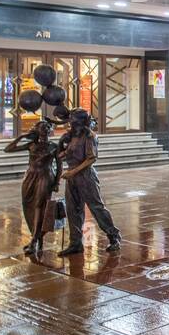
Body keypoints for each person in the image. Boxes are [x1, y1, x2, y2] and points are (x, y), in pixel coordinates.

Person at [55, 108, 121, 256]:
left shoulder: (89, 136)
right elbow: (61, 156)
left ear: (79, 121)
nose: (69, 121)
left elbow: (91, 158)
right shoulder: (72, 136)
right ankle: (75, 243)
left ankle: (113, 236)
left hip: (86, 176)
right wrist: (61, 143)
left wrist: (73, 172)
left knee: (97, 208)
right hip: (72, 178)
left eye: (72, 118)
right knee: (73, 210)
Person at [3, 119, 60, 256]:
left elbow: (59, 166)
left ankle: (34, 240)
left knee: (40, 206)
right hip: (30, 176)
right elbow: (8, 149)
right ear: (37, 130)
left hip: (45, 176)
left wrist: (57, 182)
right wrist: (22, 137)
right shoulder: (31, 145)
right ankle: (37, 236)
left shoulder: (54, 146)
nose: (45, 129)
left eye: (47, 127)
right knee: (28, 205)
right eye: (42, 127)